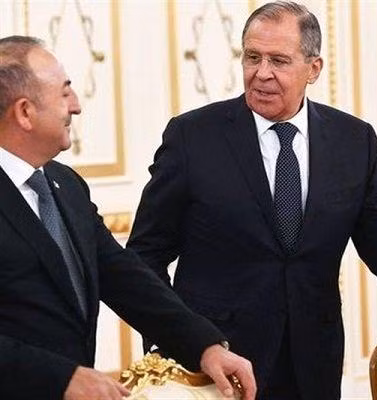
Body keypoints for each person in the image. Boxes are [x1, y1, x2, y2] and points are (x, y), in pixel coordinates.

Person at [127, 2, 377, 399]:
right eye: (252, 57)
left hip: (313, 362)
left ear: (314, 69)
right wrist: (176, 341)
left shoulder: (354, 141)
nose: (262, 73)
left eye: (279, 60)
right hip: (215, 364)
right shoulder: (192, 137)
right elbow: (145, 253)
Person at [0, 36, 256, 400]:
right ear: (25, 112)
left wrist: (205, 346)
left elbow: (122, 276)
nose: (76, 106)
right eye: (64, 93)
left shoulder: (65, 184)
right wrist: (60, 378)